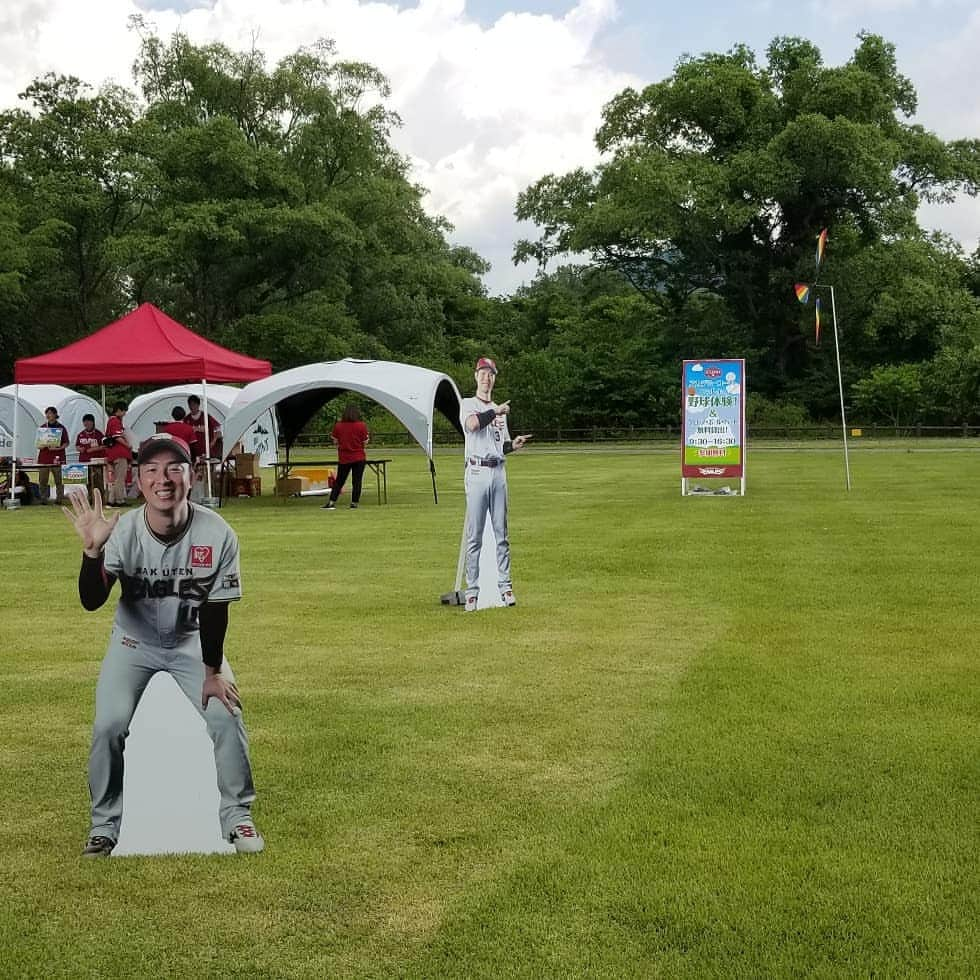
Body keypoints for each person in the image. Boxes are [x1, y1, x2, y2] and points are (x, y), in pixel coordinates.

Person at [62, 432, 264, 858]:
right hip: (133, 642)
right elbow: (92, 600)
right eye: (152, 469)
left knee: (226, 715)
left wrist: (212, 674)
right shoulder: (125, 529)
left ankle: (237, 816)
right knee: (108, 725)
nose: (164, 478)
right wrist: (92, 554)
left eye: (175, 467)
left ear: (193, 476)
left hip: (191, 640)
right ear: (138, 480)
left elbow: (215, 610)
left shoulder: (217, 532)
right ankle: (104, 826)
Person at [459, 357, 531, 612]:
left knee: (502, 533)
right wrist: (495, 412)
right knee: (475, 535)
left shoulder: (500, 413)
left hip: (497, 470)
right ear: (475, 376)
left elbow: (501, 445)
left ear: (494, 378)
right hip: (477, 471)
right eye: (482, 373)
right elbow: (472, 425)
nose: (486, 378)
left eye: (490, 374)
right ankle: (472, 591)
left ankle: (505, 585)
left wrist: (514, 445)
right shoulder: (468, 404)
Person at [322, 404, 370, 510]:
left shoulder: (338, 426)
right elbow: (365, 441)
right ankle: (354, 503)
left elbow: (335, 441)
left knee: (339, 481)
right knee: (357, 481)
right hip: (359, 457)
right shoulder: (361, 425)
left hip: (344, 457)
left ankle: (331, 502)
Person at [36, 406, 69, 505]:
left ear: (55, 414)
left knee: (59, 480)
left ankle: (59, 499)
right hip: (44, 458)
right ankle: (43, 499)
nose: (48, 415)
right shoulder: (42, 428)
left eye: (50, 413)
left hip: (58, 458)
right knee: (43, 480)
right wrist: (42, 445)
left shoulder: (61, 428)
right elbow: (38, 444)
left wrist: (58, 448)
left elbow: (66, 443)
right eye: (47, 413)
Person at [75, 413, 106, 501]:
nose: (87, 424)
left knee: (97, 481)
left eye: (88, 422)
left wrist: (94, 449)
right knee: (87, 481)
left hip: (96, 461)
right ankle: (90, 497)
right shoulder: (80, 434)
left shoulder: (99, 434)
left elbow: (105, 446)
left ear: (93, 422)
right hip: (84, 461)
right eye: (85, 422)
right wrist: (79, 449)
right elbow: (77, 446)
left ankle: (100, 498)